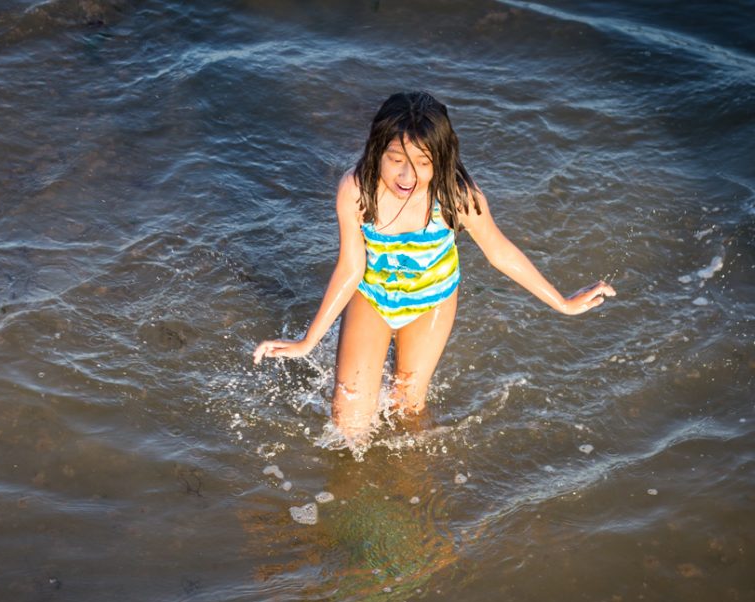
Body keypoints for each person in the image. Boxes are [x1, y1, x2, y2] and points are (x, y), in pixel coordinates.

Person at [253, 92, 615, 445]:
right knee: (347, 419)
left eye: (423, 163)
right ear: (377, 149)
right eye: (395, 158)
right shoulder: (357, 189)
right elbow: (351, 266)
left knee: (407, 407)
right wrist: (306, 342)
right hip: (373, 296)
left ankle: (414, 493)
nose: (407, 175)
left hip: (432, 302)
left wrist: (562, 303)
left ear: (440, 160)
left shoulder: (456, 197)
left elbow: (498, 250)